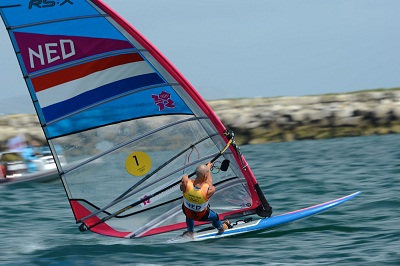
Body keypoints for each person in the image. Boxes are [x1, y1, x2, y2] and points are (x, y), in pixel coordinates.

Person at [180, 162, 230, 238]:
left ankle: (190, 232)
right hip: (202, 216)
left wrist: (184, 178)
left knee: (189, 212)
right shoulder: (210, 190)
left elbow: (184, 181)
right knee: (215, 217)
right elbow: (209, 183)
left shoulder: (186, 184)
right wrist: (208, 169)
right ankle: (221, 228)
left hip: (187, 212)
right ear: (205, 175)